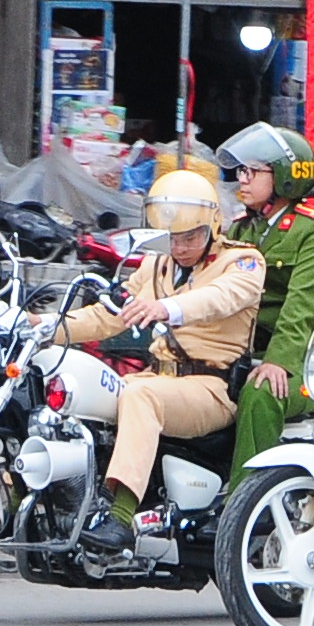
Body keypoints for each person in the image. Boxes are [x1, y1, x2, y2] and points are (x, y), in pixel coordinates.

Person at [66, 166, 264, 556]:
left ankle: (120, 519)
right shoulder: (157, 267)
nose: (181, 246)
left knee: (142, 398)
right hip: (158, 378)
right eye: (174, 237)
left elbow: (217, 299)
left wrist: (166, 308)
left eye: (191, 236)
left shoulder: (243, 262)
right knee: (77, 394)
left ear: (212, 227)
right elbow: (109, 315)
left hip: (210, 388)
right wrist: (40, 325)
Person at [219, 123, 314, 471]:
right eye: (241, 171)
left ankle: (244, 507)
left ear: (284, 177)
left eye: (252, 171)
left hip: (300, 361)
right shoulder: (243, 228)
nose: (241, 179)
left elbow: (302, 307)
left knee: (262, 394)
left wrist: (278, 361)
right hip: (243, 350)